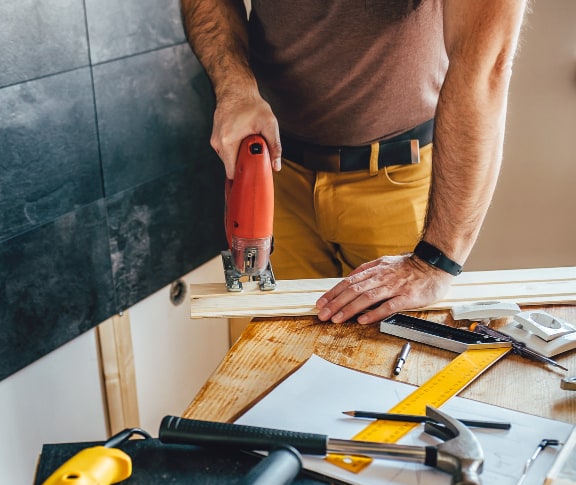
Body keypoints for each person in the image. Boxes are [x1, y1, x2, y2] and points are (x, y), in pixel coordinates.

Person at [181, 0, 528, 324]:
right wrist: (234, 86)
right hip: (276, 171)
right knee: (280, 359)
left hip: (399, 179)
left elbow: (483, 67)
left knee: (392, 371)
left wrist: (436, 261)